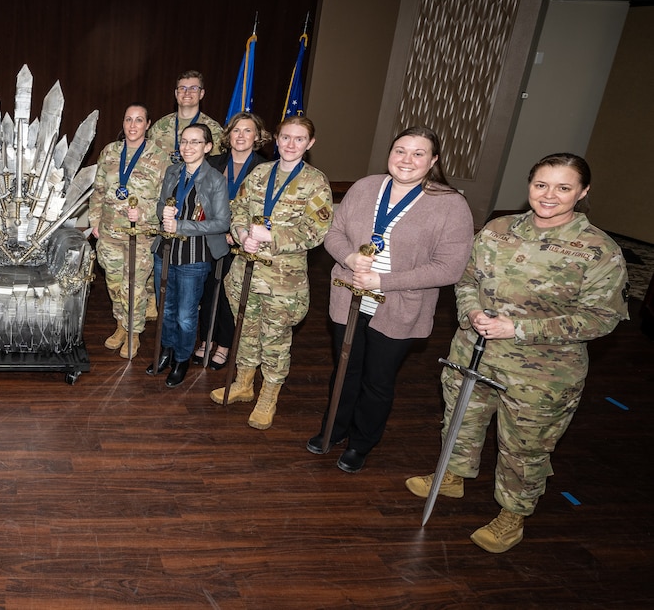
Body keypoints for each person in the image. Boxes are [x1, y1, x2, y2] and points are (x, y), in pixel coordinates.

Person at [405, 153, 628, 553]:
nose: (549, 195)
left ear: (582, 192)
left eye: (563, 188)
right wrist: (471, 312)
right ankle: (453, 476)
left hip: (541, 374)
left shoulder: (598, 250)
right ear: (529, 185)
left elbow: (602, 318)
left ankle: (513, 514)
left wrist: (520, 328)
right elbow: (466, 279)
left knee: (525, 447)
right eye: (541, 185)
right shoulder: (498, 229)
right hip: (474, 353)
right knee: (461, 421)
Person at [311, 126, 473, 473]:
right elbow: (334, 232)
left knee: (377, 380)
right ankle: (334, 428)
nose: (407, 160)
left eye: (418, 153)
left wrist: (384, 281)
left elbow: (449, 268)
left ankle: (361, 442)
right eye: (400, 150)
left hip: (400, 308)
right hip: (349, 298)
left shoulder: (451, 204)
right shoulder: (365, 187)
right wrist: (349, 258)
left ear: (434, 160)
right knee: (345, 369)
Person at [210, 115, 332, 430]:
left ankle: (269, 395)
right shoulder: (260, 173)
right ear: (276, 139)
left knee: (275, 340)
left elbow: (316, 231)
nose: (291, 144)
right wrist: (241, 233)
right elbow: (238, 209)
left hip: (283, 282)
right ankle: (244, 383)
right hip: (245, 271)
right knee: (245, 331)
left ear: (310, 143)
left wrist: (271, 236)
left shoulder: (315, 182)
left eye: (299, 139)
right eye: (285, 137)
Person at [145, 124, 230, 387]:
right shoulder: (172, 171)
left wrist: (181, 225)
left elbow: (222, 223)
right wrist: (163, 213)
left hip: (194, 255)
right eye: (184, 141)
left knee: (185, 314)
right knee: (165, 309)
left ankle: (182, 359)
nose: (187, 147)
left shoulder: (215, 179)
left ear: (207, 147)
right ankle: (167, 351)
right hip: (165, 251)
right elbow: (162, 206)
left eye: (195, 142)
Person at [88, 103, 172, 359]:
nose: (132, 125)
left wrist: (145, 214)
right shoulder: (110, 151)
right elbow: (98, 190)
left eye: (138, 120)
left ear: (148, 124)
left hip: (141, 236)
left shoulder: (160, 157)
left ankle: (134, 332)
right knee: (114, 285)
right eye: (128, 119)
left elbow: (167, 200)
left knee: (133, 287)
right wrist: (94, 220)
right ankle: (121, 325)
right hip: (110, 233)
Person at [193, 112, 269, 369]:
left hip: (241, 243)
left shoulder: (265, 169)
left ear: (257, 136)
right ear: (228, 134)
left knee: (227, 296)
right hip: (210, 239)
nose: (241, 135)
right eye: (236, 130)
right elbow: (199, 199)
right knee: (207, 291)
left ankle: (224, 344)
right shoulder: (212, 163)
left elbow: (263, 211)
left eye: (247, 130)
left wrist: (237, 234)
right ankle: (206, 339)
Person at [149, 70, 226, 164]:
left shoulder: (213, 129)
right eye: (182, 88)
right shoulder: (160, 126)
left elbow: (218, 164)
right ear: (176, 93)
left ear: (201, 93)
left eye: (193, 88)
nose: (187, 92)